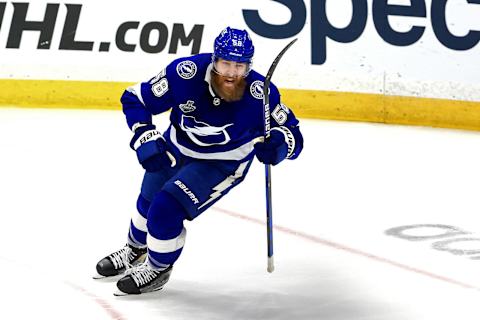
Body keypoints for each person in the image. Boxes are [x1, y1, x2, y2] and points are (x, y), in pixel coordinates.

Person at [94, 26, 304, 295]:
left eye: (239, 66)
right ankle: (135, 249)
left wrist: (278, 146)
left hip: (222, 163)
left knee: (164, 209)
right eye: (225, 63)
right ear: (214, 59)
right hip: (177, 146)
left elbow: (293, 135)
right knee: (147, 199)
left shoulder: (261, 94)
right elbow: (135, 98)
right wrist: (144, 135)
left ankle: (158, 267)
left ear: (249, 66)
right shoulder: (185, 74)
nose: (231, 73)